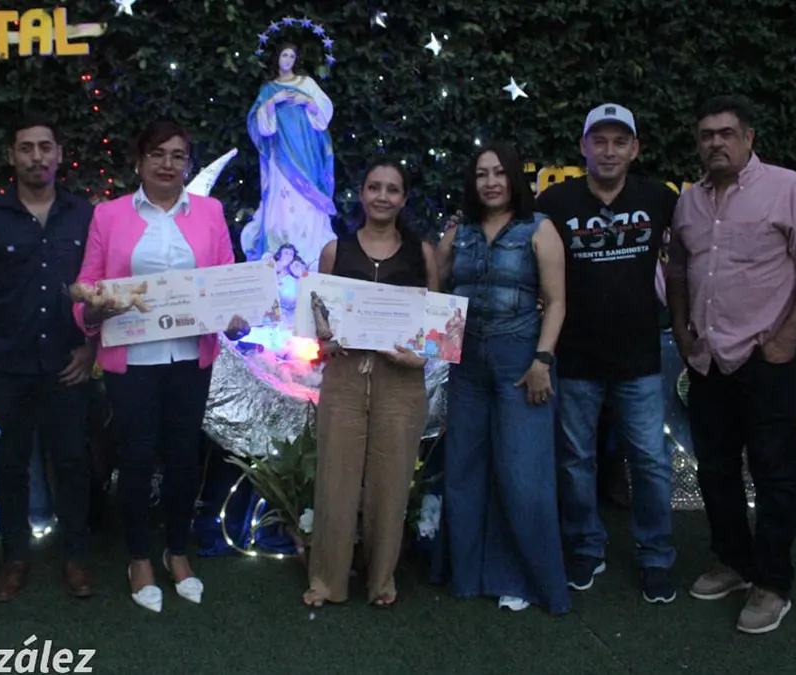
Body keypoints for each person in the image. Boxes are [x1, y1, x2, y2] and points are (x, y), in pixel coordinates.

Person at [666, 95, 796, 634]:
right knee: (715, 469)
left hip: (769, 359)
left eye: (726, 133)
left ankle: (771, 582)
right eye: (706, 135)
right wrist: (681, 329)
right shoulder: (689, 202)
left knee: (775, 473)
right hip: (708, 361)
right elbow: (677, 271)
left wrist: (786, 340)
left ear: (748, 138)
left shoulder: (788, 189)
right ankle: (733, 561)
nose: (715, 143)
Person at [72, 119, 250, 613]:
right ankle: (138, 558)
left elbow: (225, 280)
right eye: (157, 154)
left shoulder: (210, 212)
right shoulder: (109, 215)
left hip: (190, 357)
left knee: (183, 458)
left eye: (178, 155)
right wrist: (94, 309)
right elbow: (87, 287)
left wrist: (236, 317)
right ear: (139, 161)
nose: (168, 164)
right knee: (135, 458)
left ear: (188, 164)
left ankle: (176, 551)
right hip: (133, 360)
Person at [535, 103, 679, 603]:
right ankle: (585, 546)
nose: (609, 151)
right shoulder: (555, 201)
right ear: (584, 147)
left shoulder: (659, 198)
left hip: (639, 359)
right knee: (576, 460)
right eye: (600, 141)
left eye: (620, 141)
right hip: (575, 357)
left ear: (635, 148)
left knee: (651, 460)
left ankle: (656, 554)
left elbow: (694, 253)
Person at [0, 114, 97, 602]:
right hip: (5, 366)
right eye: (26, 148)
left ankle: (76, 556)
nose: (36, 156)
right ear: (11, 155)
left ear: (59, 153)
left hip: (68, 363)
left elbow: (102, 289)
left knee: (73, 463)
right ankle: (14, 557)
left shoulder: (86, 216)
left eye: (45, 147)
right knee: (11, 466)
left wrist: (91, 347)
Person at [436, 141, 570, 614]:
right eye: (481, 174)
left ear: (514, 178)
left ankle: (528, 581)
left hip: (521, 366)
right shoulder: (461, 232)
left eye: (499, 173)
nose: (491, 182)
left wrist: (542, 361)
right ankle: (466, 576)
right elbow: (433, 287)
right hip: (467, 365)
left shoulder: (540, 229)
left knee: (523, 475)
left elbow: (557, 301)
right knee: (463, 472)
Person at [303, 158, 438, 608]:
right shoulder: (334, 251)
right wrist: (324, 340)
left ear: (404, 198)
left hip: (401, 381)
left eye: (392, 189)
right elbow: (318, 319)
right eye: (374, 187)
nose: (382, 196)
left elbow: (437, 325)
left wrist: (418, 356)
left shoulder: (422, 254)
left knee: (392, 481)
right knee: (336, 479)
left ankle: (382, 580)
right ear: (361, 194)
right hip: (344, 376)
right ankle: (327, 581)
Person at [239, 41, 337, 268]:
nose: (288, 60)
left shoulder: (306, 83)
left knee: (308, 200)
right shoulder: (269, 89)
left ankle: (311, 257)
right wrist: (274, 101)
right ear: (277, 58)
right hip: (280, 155)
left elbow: (324, 111)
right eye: (284, 55)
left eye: (292, 56)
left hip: (307, 151)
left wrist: (308, 102)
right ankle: (279, 255)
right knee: (281, 199)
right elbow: (260, 125)